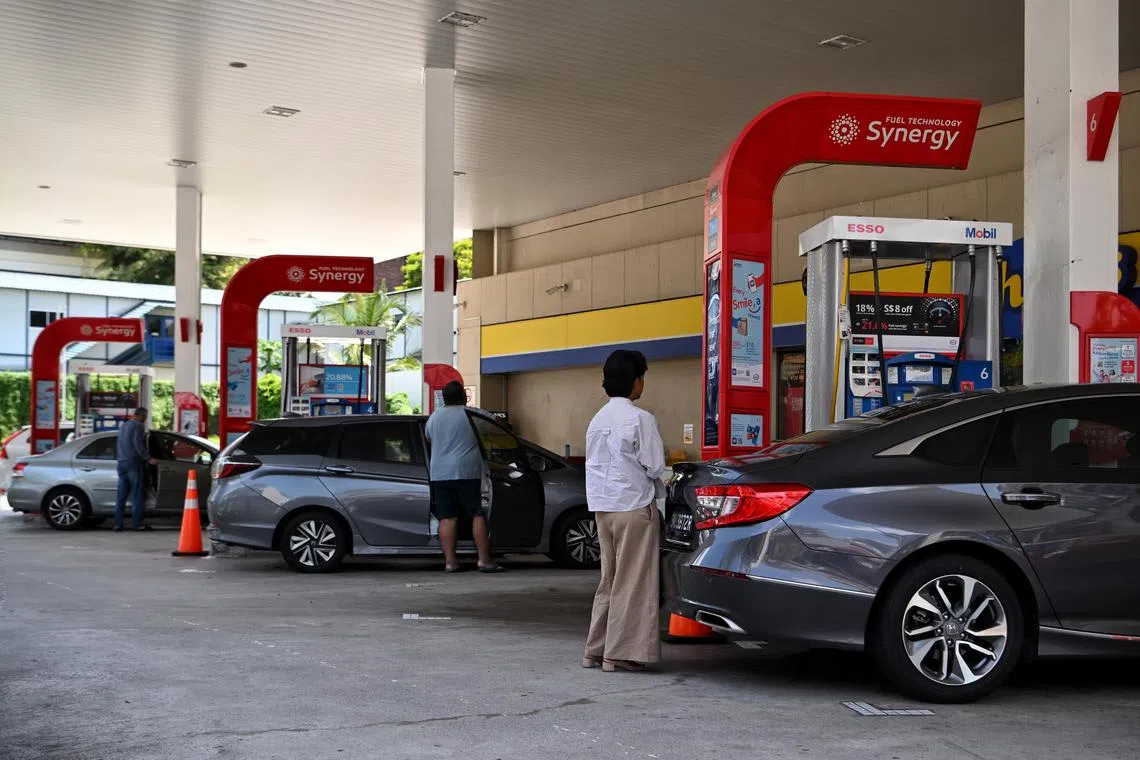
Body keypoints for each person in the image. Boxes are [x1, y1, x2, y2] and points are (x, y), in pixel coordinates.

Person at [582, 349, 666, 673]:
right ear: (635, 382)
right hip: (633, 507)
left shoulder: (597, 419)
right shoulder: (640, 419)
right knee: (634, 583)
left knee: (610, 579)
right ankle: (619, 654)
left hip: (603, 509)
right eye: (642, 377)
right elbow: (655, 466)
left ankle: (595, 649)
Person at [424, 381, 504, 574]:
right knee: (477, 514)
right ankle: (484, 560)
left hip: (440, 475)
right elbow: (499, 428)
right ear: (464, 396)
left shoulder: (434, 418)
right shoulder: (473, 415)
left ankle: (450, 562)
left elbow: (428, 438)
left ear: (444, 397)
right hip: (466, 473)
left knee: (447, 518)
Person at [113, 407, 156, 532]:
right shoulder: (138, 426)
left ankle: (117, 524)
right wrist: (148, 458)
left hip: (121, 463)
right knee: (138, 495)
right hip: (133, 464)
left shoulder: (123, 426)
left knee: (121, 495)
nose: (146, 419)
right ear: (141, 415)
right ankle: (137, 524)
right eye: (145, 416)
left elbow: (119, 444)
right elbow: (138, 444)